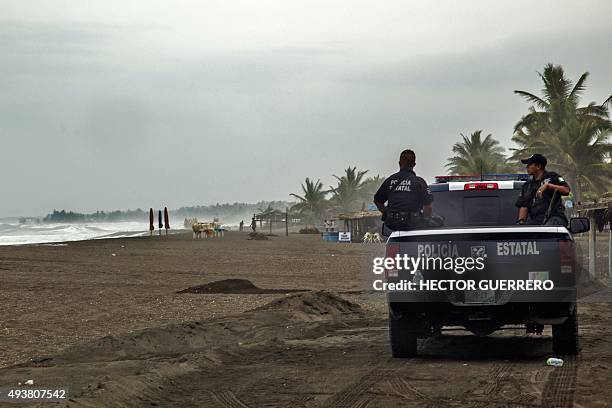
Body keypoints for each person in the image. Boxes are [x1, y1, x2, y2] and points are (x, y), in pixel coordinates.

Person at [373, 149, 434, 232]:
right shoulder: (419, 182)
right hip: (414, 228)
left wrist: (387, 213)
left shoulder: (389, 180)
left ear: (399, 163)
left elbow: (377, 201)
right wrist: (423, 221)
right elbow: (428, 207)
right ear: (414, 164)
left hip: (393, 227)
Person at [516, 153, 570, 226]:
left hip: (554, 217)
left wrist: (548, 185)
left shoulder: (553, 177)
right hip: (535, 220)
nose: (527, 167)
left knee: (550, 227)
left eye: (529, 165)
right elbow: (524, 206)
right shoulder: (527, 185)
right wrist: (521, 222)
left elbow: (566, 190)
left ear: (538, 166)